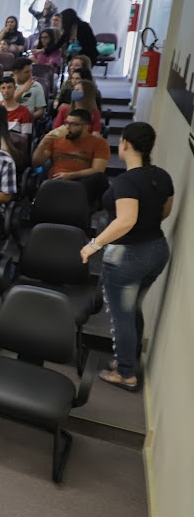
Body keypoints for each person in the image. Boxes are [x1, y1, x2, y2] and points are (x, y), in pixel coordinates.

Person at [79, 122, 172, 391]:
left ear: (126, 144)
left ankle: (126, 372)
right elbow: (164, 211)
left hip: (128, 256)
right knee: (133, 310)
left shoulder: (127, 181)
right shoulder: (162, 176)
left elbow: (126, 221)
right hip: (157, 249)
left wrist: (93, 245)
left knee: (121, 315)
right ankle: (127, 360)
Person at [32, 109, 110, 205]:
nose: (68, 127)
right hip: (56, 180)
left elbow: (98, 169)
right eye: (66, 123)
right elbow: (36, 163)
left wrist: (70, 175)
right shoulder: (56, 139)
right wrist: (42, 143)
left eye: (74, 124)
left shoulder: (99, 143)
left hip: (81, 182)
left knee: (100, 178)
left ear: (86, 126)